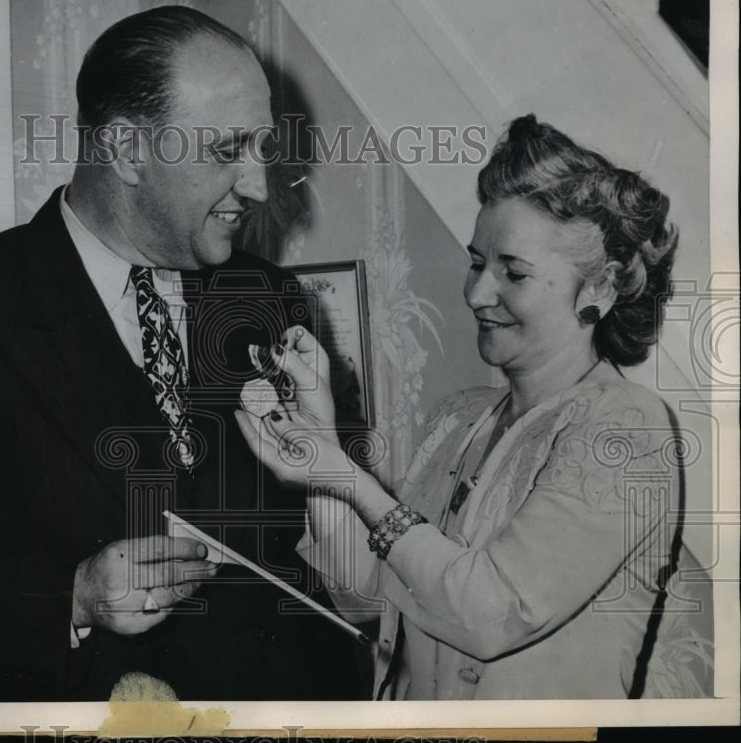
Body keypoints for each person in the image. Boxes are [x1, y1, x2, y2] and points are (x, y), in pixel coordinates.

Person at [0, 5, 365, 702]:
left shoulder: (268, 298)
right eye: (226, 151)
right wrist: (73, 596)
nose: (259, 187)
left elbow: (320, 556)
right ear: (125, 150)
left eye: (262, 148)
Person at [236, 115, 714, 699]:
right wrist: (321, 446)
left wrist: (349, 479)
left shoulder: (627, 426)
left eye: (512, 272)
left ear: (599, 289)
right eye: (476, 263)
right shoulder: (458, 418)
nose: (476, 293)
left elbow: (493, 613)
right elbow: (365, 591)